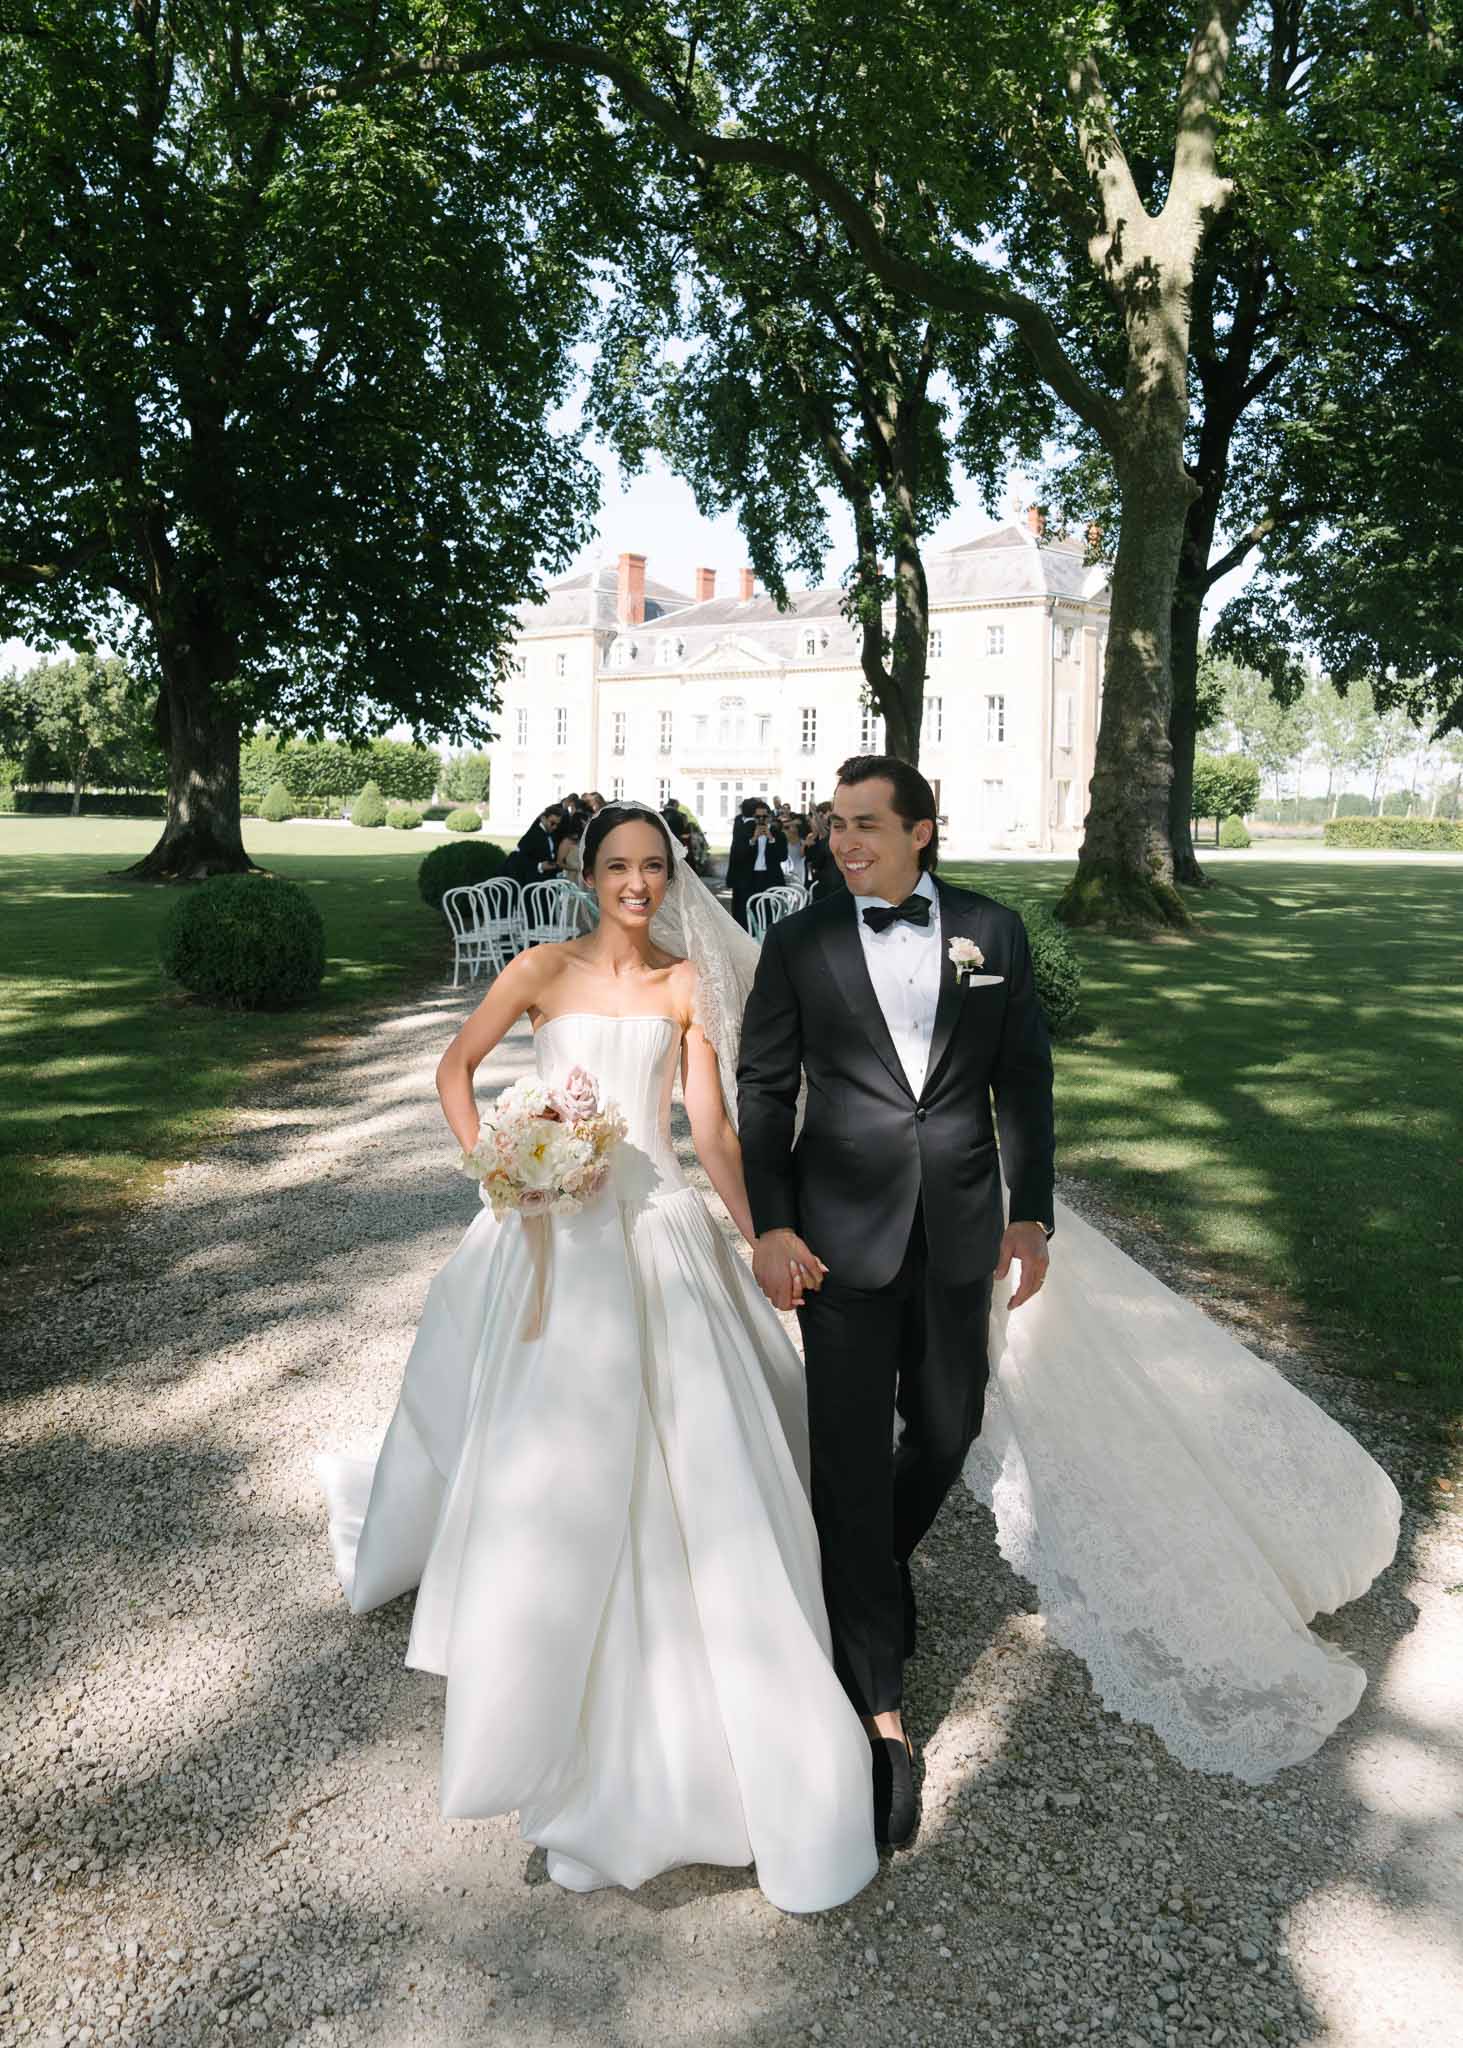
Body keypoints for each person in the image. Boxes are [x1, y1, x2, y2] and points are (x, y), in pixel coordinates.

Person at [735, 754, 1400, 1844]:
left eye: (862, 824)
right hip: (835, 1240)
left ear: (921, 832)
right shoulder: (798, 941)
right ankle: (882, 1716)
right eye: (831, 826)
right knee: (849, 1455)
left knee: (946, 1425)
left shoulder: (991, 933)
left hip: (956, 1227)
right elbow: (763, 1088)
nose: (840, 843)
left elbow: (1023, 1078)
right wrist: (769, 1221)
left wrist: (1028, 1211)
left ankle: (863, 1568)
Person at [317, 802, 878, 1913]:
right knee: (540, 1442)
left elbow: (708, 1129)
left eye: (652, 866)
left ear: (672, 878)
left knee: (693, 1443)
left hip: (657, 1223)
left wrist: (760, 1227)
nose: (635, 881)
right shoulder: (536, 965)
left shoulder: (683, 987)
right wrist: (500, 1166)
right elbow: (456, 1068)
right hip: (550, 1227)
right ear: (583, 872)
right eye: (616, 864)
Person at [726, 799, 788, 930]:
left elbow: (782, 856)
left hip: (769, 878)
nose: (761, 820)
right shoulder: (744, 831)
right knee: (745, 916)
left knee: (768, 916)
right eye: (758, 817)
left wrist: (771, 839)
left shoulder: (778, 834)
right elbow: (737, 855)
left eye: (764, 816)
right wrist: (753, 840)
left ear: (769, 817)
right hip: (748, 879)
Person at [507, 804, 564, 886]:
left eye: (557, 825)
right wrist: (540, 866)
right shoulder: (532, 835)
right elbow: (517, 859)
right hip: (533, 884)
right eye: (552, 823)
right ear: (543, 819)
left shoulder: (551, 834)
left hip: (548, 881)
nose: (555, 827)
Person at [782, 814, 811, 892]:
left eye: (795, 826)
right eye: (790, 826)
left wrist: (804, 845)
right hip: (786, 870)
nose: (791, 828)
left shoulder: (803, 842)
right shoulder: (783, 839)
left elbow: (802, 856)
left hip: (799, 871)